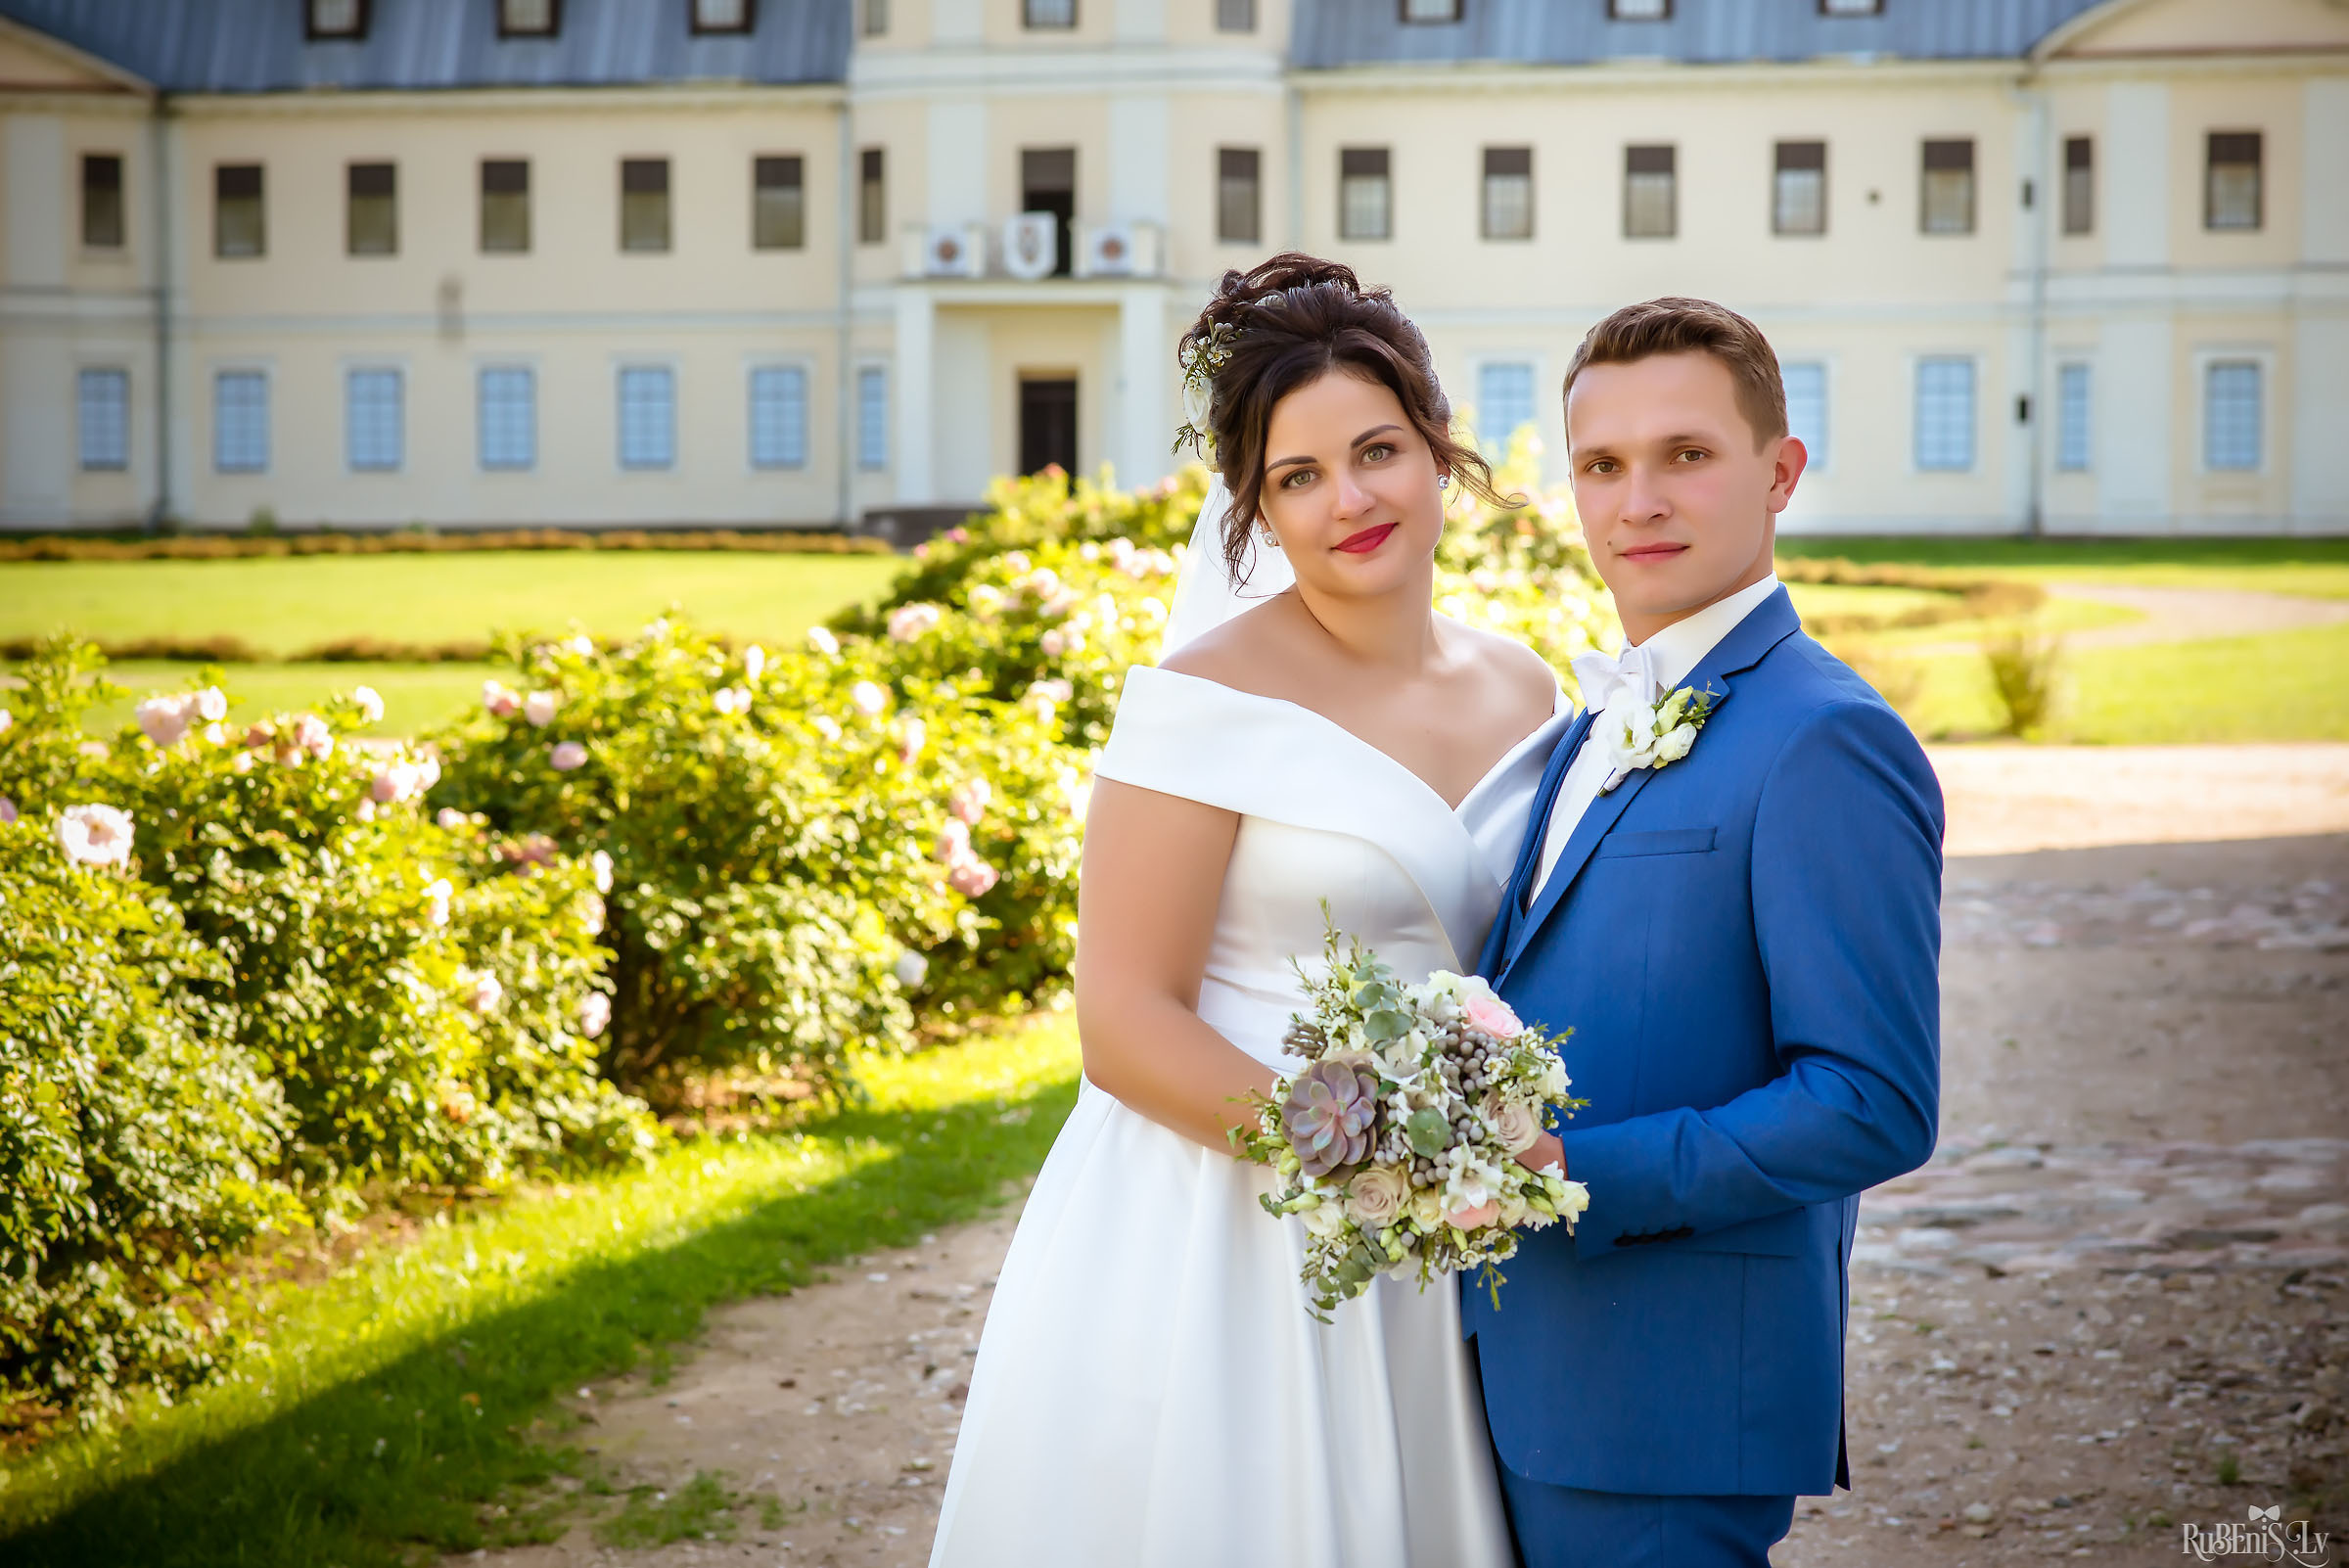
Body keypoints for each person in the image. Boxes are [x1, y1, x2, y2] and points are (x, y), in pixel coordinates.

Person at [926, 254, 1569, 1567]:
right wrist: (1373, 1153)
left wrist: (1476, 1144)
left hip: (1442, 1230)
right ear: (1256, 510)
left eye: (1378, 450)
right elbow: (1120, 1020)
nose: (1351, 501)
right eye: (1299, 477)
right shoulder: (1198, 705)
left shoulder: (1531, 693)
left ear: (1439, 450)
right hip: (1228, 1233)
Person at [1467, 297, 1946, 1567]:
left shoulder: (1825, 737)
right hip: (1517, 1378)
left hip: (1665, 1405)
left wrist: (1568, 1170)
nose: (1640, 502)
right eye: (1602, 465)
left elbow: (1872, 1101)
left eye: (1687, 454)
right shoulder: (1582, 725)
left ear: (1780, 472)